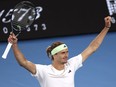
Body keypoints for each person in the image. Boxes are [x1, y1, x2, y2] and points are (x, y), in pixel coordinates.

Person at [8, 16, 111, 87]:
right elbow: (23, 62)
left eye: (67, 52)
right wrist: (15, 45)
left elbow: (92, 48)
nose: (66, 55)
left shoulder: (72, 64)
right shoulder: (43, 71)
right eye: (63, 53)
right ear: (54, 55)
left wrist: (106, 27)